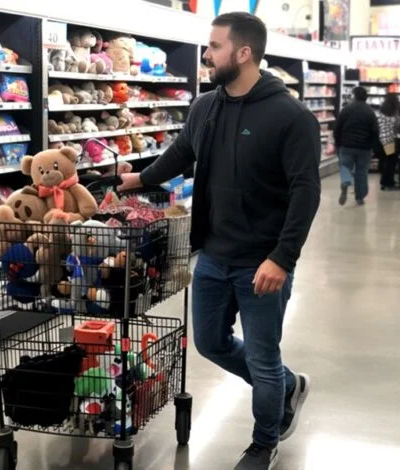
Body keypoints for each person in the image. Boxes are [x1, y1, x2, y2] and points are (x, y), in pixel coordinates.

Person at [117, 12, 320, 470]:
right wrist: (139, 179)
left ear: (243, 53)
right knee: (210, 342)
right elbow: (181, 153)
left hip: (263, 262)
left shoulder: (291, 117)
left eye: (214, 46)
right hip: (212, 254)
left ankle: (264, 443)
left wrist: (282, 258)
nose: (207, 55)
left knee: (263, 358)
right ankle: (288, 385)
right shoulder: (205, 106)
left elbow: (306, 193)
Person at [334, 86, 384, 206]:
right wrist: (373, 147)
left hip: (347, 145)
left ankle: (345, 182)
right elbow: (375, 131)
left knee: (345, 166)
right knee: (361, 171)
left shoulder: (346, 109)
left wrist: (338, 143)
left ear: (354, 96)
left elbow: (337, 128)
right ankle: (360, 197)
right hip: (364, 147)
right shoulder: (370, 112)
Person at [376, 93, 400, 191]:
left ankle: (385, 181)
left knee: (384, 161)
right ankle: (387, 182)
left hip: (380, 140)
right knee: (391, 161)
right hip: (389, 141)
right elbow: (397, 127)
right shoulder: (394, 114)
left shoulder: (381, 113)